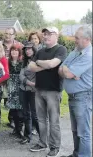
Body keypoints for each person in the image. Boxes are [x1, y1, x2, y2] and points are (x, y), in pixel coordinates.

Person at [28, 26, 67, 157]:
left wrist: (39, 62)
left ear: (57, 36)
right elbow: (31, 67)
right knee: (41, 120)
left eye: (50, 34)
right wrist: (44, 64)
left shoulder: (61, 49)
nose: (46, 36)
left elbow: (53, 64)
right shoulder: (40, 51)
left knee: (54, 121)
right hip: (39, 89)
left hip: (53, 91)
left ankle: (55, 147)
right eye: (44, 34)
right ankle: (42, 143)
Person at [59, 26, 92, 157]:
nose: (75, 40)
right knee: (75, 130)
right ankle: (77, 154)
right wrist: (67, 70)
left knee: (83, 132)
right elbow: (61, 70)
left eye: (77, 38)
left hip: (83, 97)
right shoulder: (75, 52)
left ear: (87, 39)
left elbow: (67, 73)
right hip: (73, 97)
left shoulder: (89, 55)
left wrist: (68, 71)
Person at [19, 41, 39, 144]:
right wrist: (28, 82)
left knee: (35, 115)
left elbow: (39, 75)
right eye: (26, 49)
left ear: (34, 49)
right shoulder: (24, 61)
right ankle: (27, 136)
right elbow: (21, 75)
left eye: (30, 49)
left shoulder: (39, 61)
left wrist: (32, 83)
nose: (28, 51)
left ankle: (42, 138)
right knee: (26, 113)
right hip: (24, 89)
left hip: (34, 91)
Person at [2, 27, 23, 128]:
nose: (8, 36)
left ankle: (13, 120)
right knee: (6, 99)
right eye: (6, 33)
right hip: (2, 75)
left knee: (15, 99)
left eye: (10, 34)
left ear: (14, 35)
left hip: (15, 77)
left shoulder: (19, 45)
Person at [5, 43, 24, 139]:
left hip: (20, 88)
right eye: (12, 50)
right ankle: (16, 128)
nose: (14, 52)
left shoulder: (22, 62)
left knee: (20, 110)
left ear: (19, 52)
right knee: (13, 110)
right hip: (11, 88)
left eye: (16, 50)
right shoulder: (7, 62)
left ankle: (20, 129)